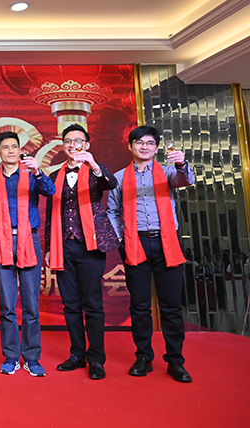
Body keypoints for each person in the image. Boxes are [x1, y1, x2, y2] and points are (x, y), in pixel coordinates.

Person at [107, 125, 195, 383]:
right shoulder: (119, 177)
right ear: (130, 146)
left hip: (166, 243)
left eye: (149, 143)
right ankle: (143, 356)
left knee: (171, 306)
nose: (144, 147)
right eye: (139, 142)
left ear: (156, 148)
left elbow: (185, 180)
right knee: (139, 305)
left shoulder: (168, 172)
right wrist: (120, 239)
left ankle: (175, 361)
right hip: (135, 243)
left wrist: (182, 164)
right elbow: (112, 210)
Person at [44, 124, 119, 380]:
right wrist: (49, 247)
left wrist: (94, 165)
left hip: (91, 244)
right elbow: (50, 214)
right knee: (70, 304)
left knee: (93, 303)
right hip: (63, 245)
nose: (73, 145)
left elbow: (111, 183)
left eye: (78, 141)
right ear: (63, 145)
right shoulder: (55, 174)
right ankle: (77, 353)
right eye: (68, 140)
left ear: (87, 144)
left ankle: (96, 358)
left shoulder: (97, 171)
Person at [0, 131, 55, 377]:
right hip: (1, 241)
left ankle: (32, 357)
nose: (11, 151)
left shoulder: (31, 174)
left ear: (20, 150)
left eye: (15, 146)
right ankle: (11, 356)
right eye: (6, 147)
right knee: (7, 305)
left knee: (31, 304)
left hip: (28, 240)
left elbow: (50, 191)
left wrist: (38, 171)